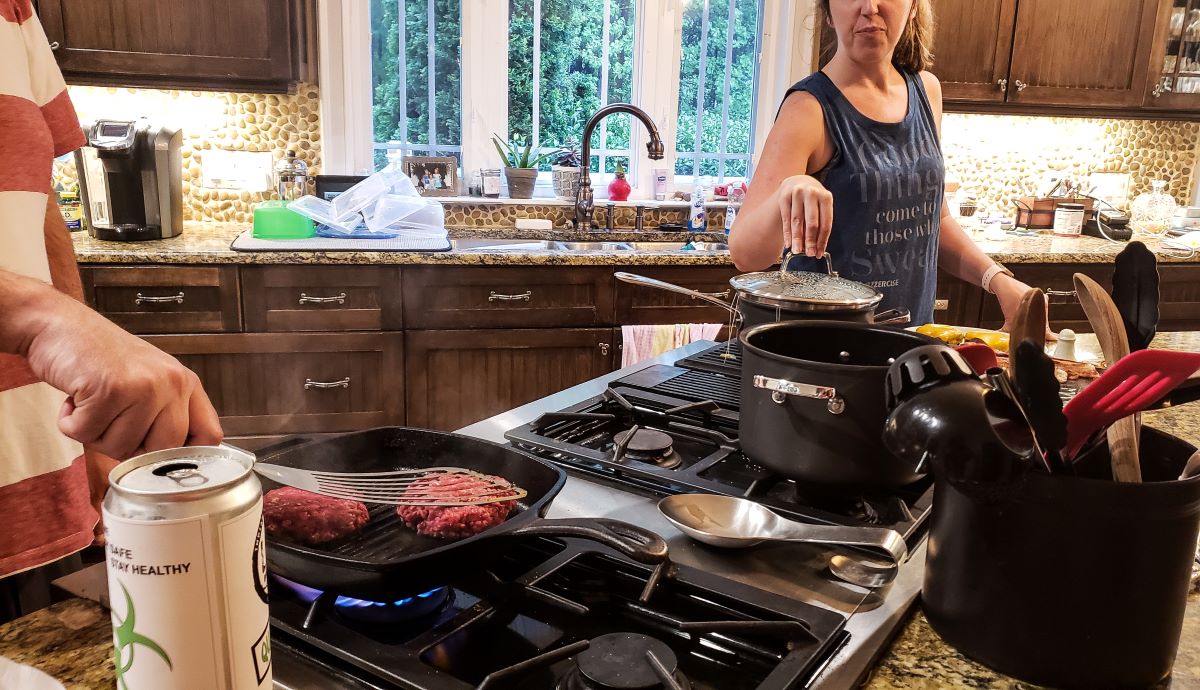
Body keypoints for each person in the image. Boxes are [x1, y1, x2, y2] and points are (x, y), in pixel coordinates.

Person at [0, 1, 222, 622]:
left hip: (42, 482)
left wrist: (90, 440)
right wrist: (33, 315)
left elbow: (35, 201)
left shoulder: (16, 15)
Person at [730, 0, 1040, 329]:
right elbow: (746, 254)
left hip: (913, 341)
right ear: (829, 13)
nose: (870, 7)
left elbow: (936, 221)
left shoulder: (926, 91)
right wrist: (787, 191)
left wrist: (997, 279)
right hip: (827, 353)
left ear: (914, 7)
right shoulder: (809, 108)